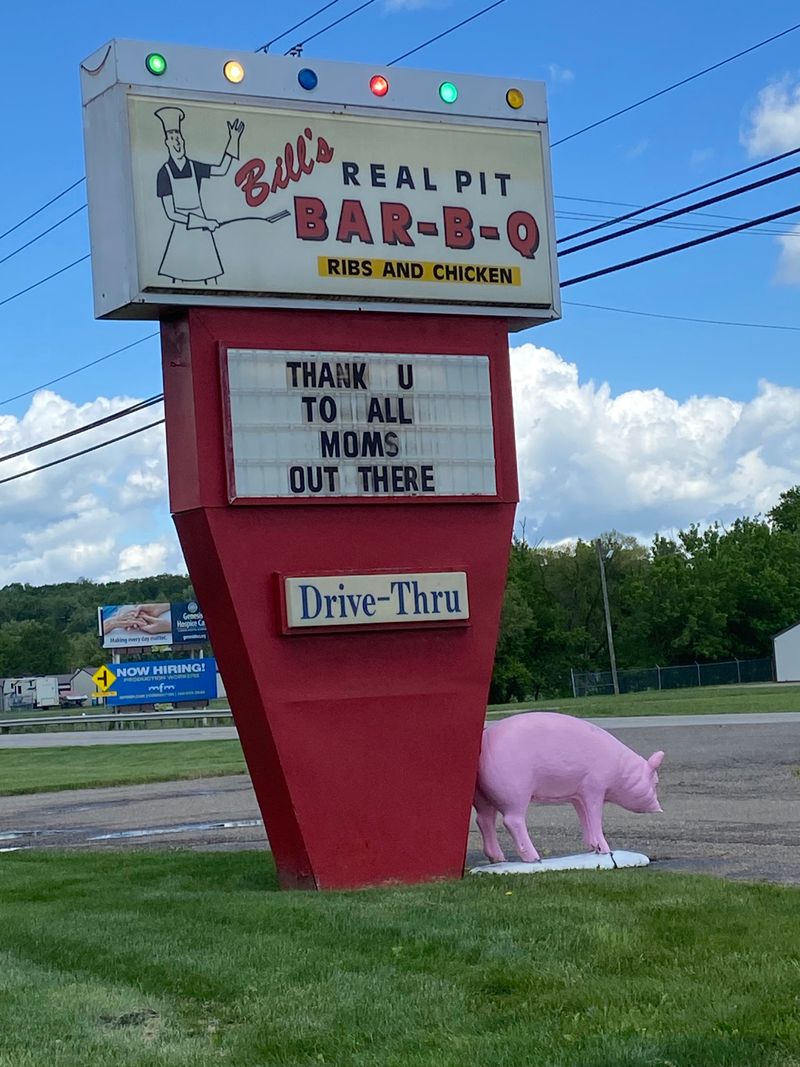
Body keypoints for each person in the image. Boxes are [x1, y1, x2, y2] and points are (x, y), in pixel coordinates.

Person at [154, 106, 244, 284]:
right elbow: (171, 214)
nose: (177, 143)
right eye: (172, 139)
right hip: (182, 233)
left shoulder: (194, 167)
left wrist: (233, 139)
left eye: (179, 138)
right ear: (166, 142)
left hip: (202, 233)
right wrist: (204, 222)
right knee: (177, 283)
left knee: (211, 282)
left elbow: (222, 169)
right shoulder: (164, 173)